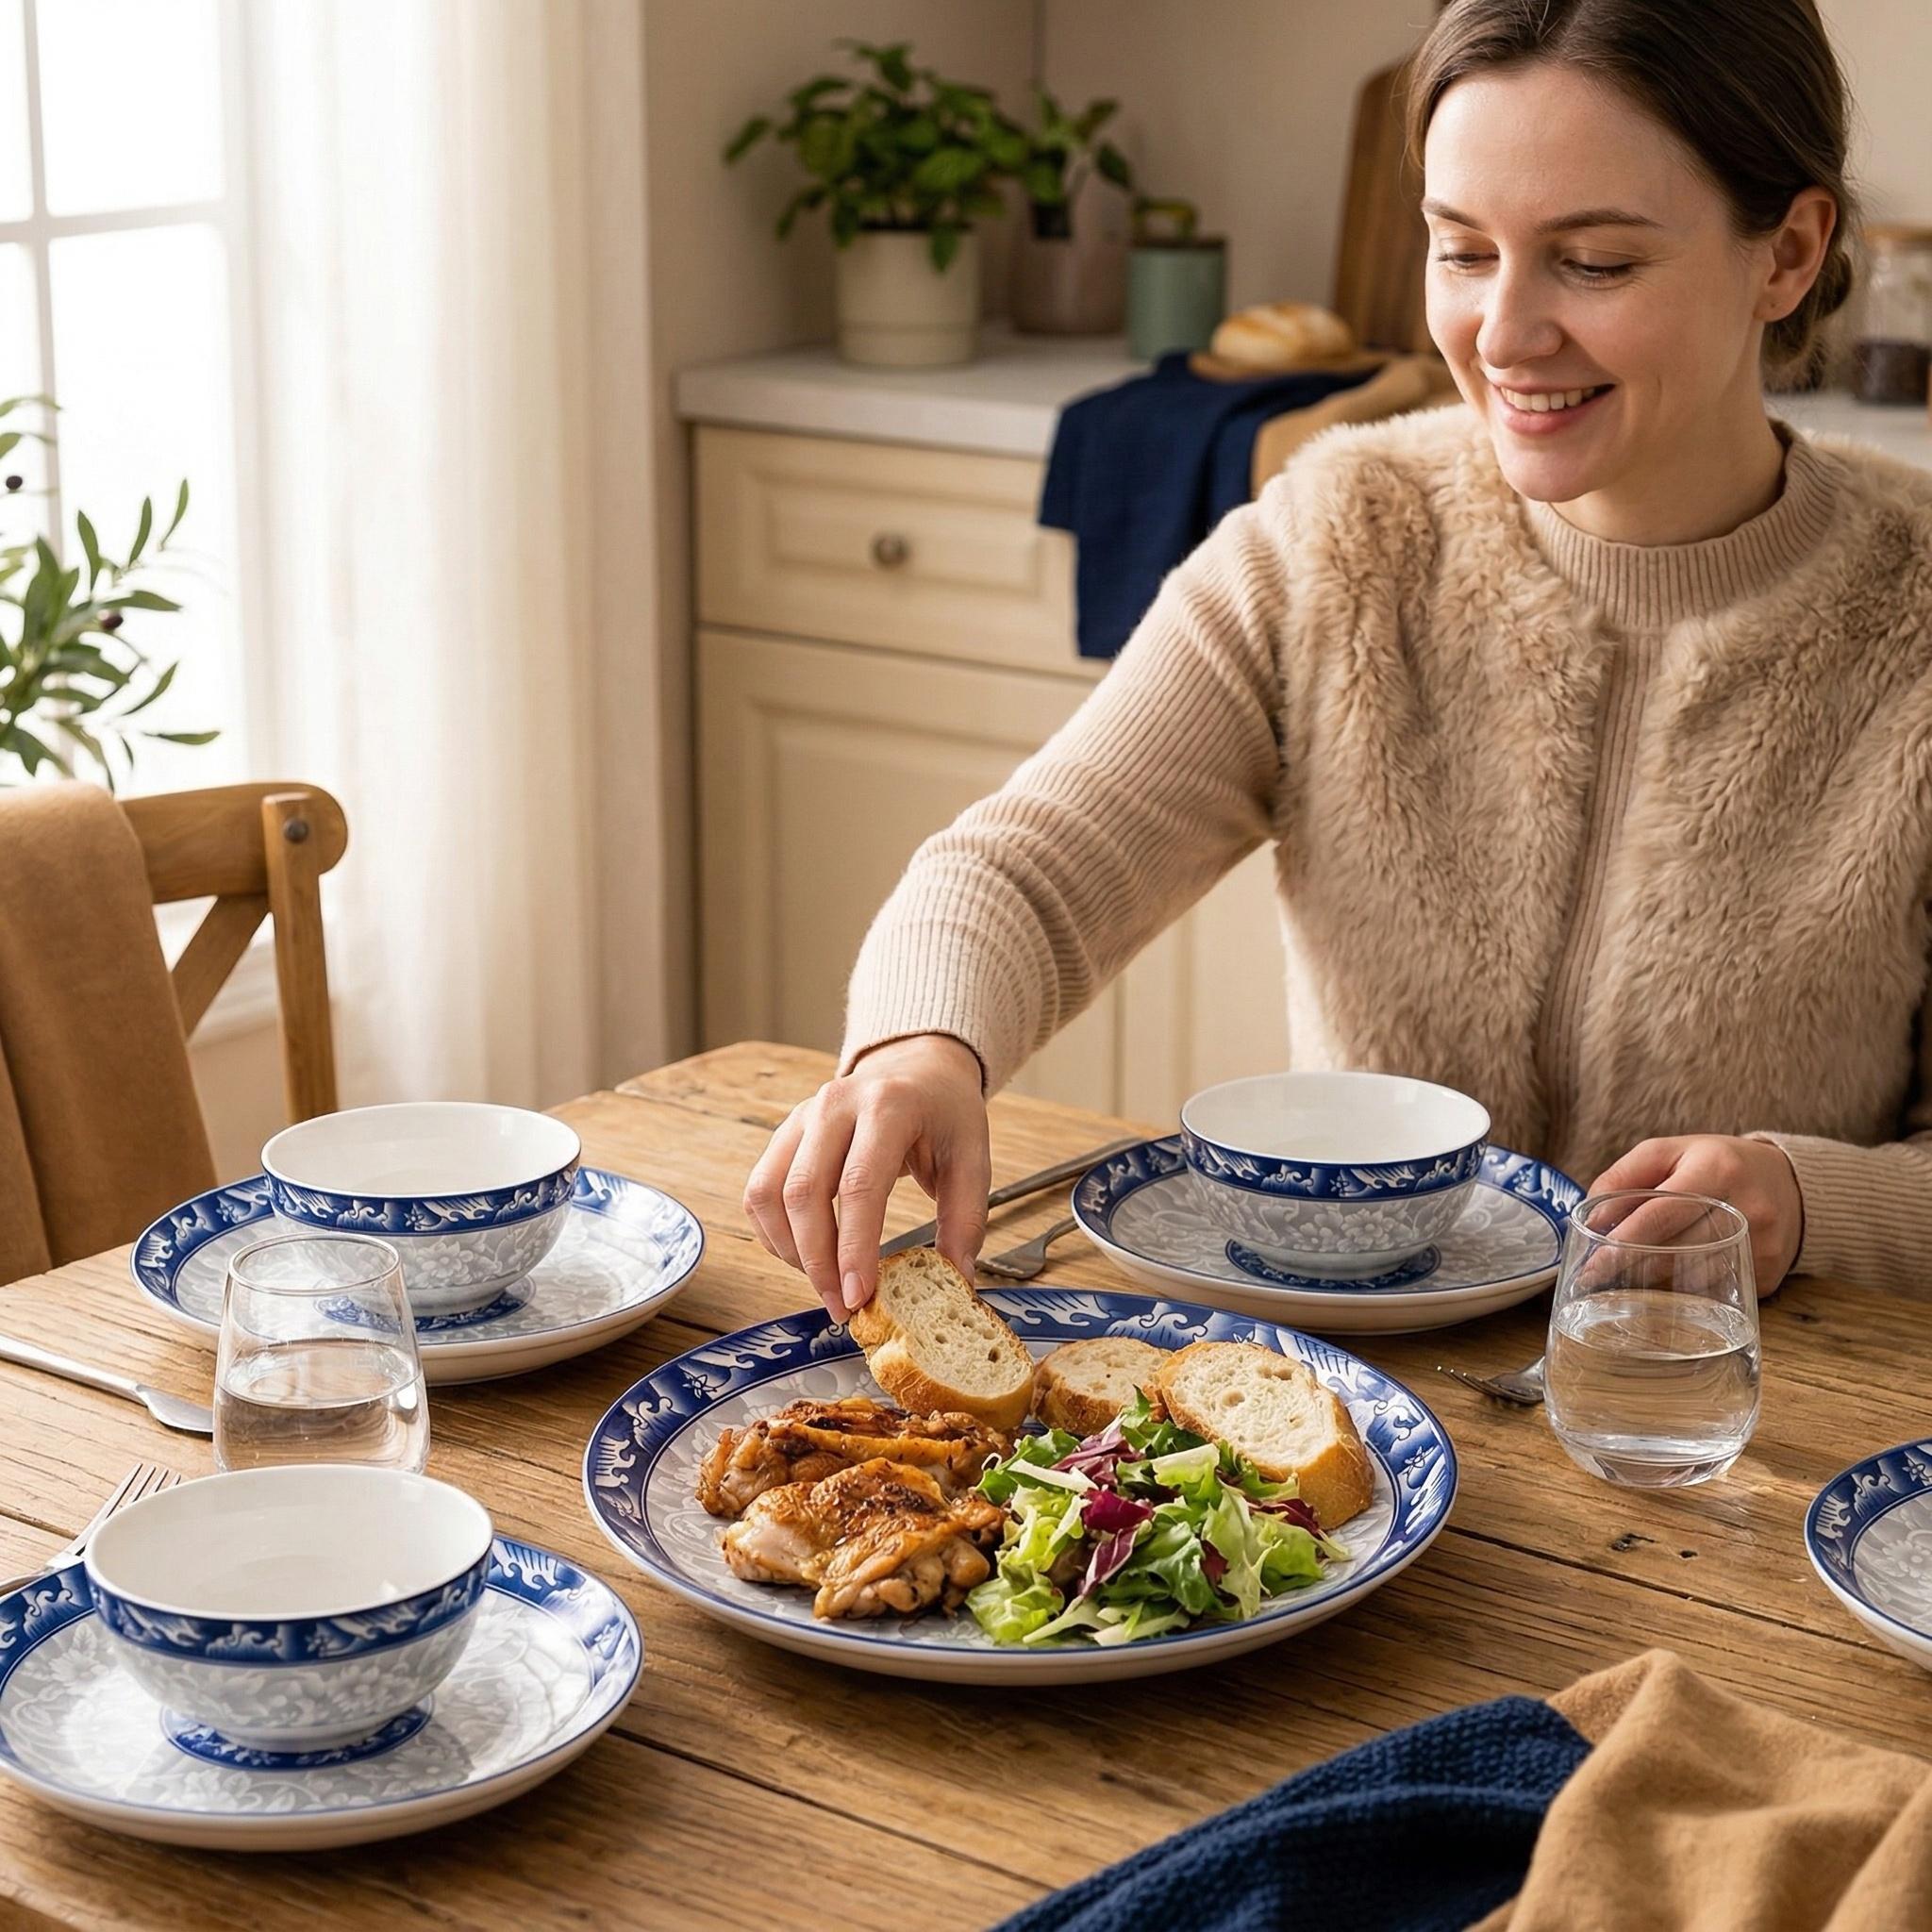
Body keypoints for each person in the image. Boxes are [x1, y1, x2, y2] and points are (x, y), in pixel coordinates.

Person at [748, 0, 1932, 1324]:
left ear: (1789, 253)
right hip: (1349, 1415)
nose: (1503, 330)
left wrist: (1807, 1197)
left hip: (1746, 1426)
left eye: (1594, 263)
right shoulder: (1348, 537)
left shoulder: (1915, 620)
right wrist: (920, 1051)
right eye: (1461, 250)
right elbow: (1022, 869)